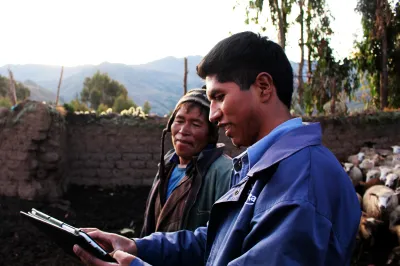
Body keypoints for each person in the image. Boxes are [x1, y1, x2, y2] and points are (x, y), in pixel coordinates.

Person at [73, 31, 361, 266]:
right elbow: (216, 242)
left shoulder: (302, 185)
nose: (212, 115)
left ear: (263, 87)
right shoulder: (264, 168)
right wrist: (138, 247)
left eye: (220, 97)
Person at [140, 88, 232, 236]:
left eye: (195, 124)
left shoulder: (224, 172)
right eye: (179, 120)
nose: (183, 130)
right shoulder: (167, 165)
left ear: (211, 135)